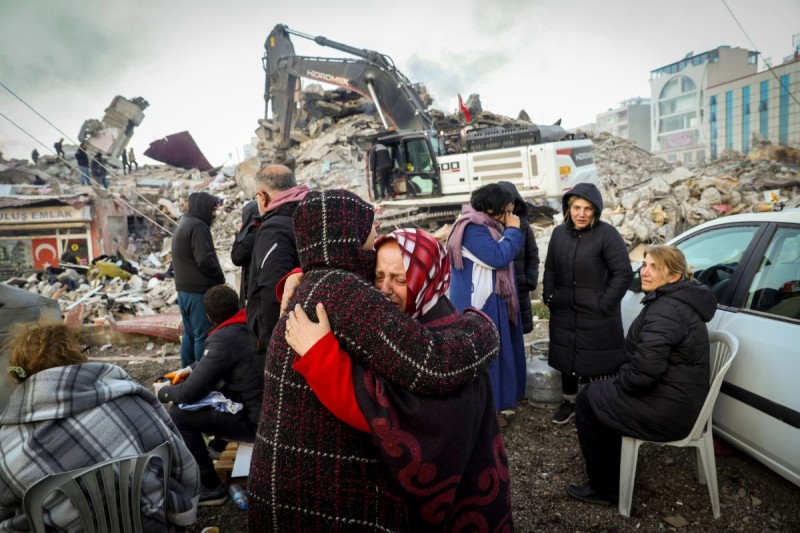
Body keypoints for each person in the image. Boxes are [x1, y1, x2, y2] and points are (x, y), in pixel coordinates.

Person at [247, 189, 500, 531]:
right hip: (319, 496)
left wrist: (297, 272)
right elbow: (433, 366)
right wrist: (484, 327)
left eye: (401, 278)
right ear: (348, 236)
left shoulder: (317, 285)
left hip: (284, 484)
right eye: (369, 234)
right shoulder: (345, 292)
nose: (383, 288)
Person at [0, 321, 200, 530]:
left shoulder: (7, 448)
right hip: (151, 524)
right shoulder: (131, 400)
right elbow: (182, 464)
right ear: (74, 357)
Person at [567, 245, 717, 506]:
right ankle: (615, 472)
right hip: (678, 398)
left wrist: (617, 381)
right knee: (600, 394)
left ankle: (607, 490)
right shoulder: (675, 300)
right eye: (644, 264)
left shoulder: (667, 310)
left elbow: (643, 375)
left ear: (673, 276)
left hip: (670, 411)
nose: (644, 272)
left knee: (587, 401)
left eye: (654, 267)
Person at [155, 285, 263, 506]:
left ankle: (211, 486)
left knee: (178, 415)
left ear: (209, 317)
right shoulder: (248, 325)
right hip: (265, 412)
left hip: (255, 424)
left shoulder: (223, 339)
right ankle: (219, 446)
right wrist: (191, 369)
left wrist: (163, 392)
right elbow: (214, 363)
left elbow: (189, 393)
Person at [543, 182, 633, 425]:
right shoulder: (559, 234)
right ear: (568, 208)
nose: (581, 214)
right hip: (563, 308)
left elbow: (623, 273)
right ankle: (568, 402)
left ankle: (597, 404)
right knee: (567, 356)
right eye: (576, 208)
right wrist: (549, 296)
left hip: (597, 312)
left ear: (596, 211)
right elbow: (550, 267)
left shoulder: (607, 234)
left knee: (597, 359)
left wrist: (604, 303)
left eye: (587, 209)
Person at [446, 183, 526, 423]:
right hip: (479, 304)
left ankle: (494, 408)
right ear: (491, 208)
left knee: (496, 356)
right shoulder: (472, 228)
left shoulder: (484, 225)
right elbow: (497, 257)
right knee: (485, 359)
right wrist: (513, 231)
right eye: (505, 212)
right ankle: (484, 413)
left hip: (490, 299)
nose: (509, 217)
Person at [246, 164, 308, 353]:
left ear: (263, 196)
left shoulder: (273, 229)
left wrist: (273, 344)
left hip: (284, 338)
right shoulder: (307, 215)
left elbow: (272, 290)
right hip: (305, 327)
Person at [171, 191, 225, 367]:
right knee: (203, 334)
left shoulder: (184, 224)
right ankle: (203, 376)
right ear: (203, 207)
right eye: (212, 209)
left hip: (183, 291)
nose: (213, 214)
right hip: (198, 291)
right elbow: (205, 259)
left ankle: (186, 372)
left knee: (190, 334)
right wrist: (219, 278)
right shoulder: (198, 226)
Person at [498, 181, 540, 335]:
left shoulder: (523, 226)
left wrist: (530, 280)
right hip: (500, 290)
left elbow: (533, 255)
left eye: (511, 204)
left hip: (520, 286)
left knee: (518, 331)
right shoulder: (491, 227)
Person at [230, 200, 261, 307]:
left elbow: (236, 258)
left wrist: (239, 236)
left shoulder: (252, 235)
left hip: (253, 289)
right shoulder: (266, 229)